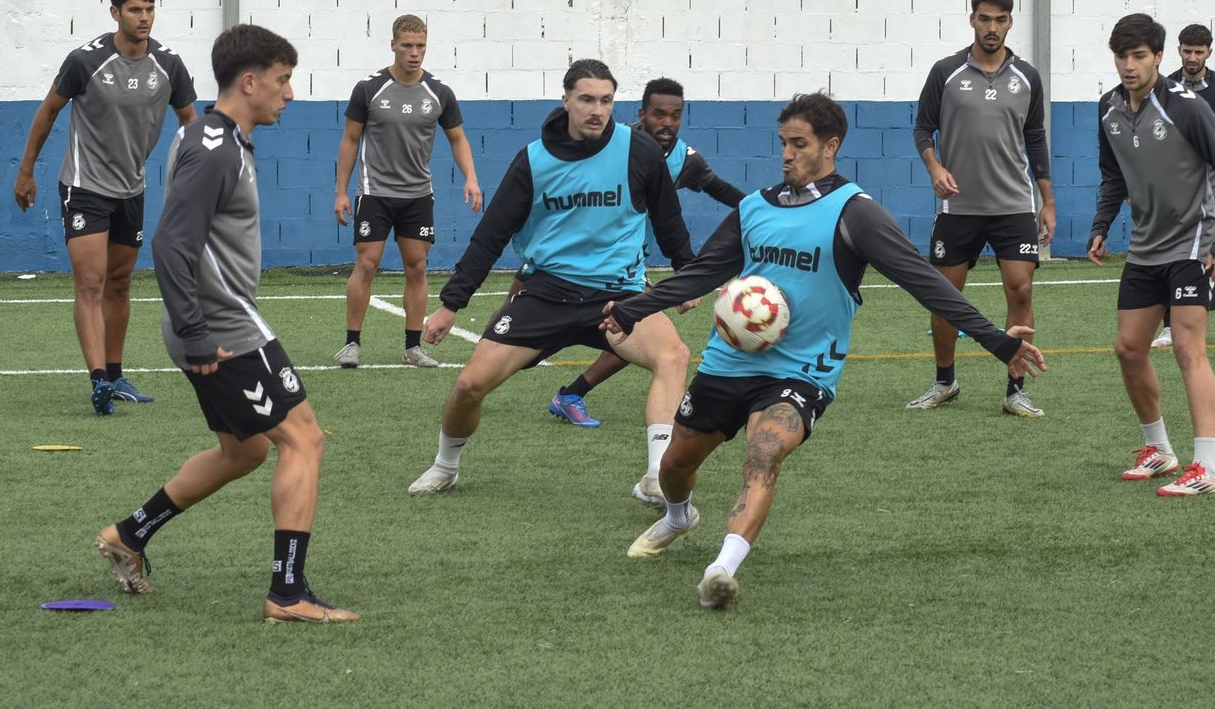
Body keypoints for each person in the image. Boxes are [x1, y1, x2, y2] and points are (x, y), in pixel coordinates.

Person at [603, 93, 1043, 609]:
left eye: (800, 144)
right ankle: (679, 516)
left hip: (803, 370)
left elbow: (924, 281)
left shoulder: (855, 213)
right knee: (676, 465)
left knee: (764, 450)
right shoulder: (754, 207)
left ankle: (722, 569)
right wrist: (634, 309)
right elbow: (704, 272)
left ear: (831, 146)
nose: (787, 154)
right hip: (730, 361)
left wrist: (996, 340)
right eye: (783, 143)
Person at [94, 25, 357, 624]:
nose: (289, 93)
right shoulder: (215, 148)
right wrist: (196, 331)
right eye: (283, 80)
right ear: (250, 81)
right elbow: (171, 242)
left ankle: (129, 535)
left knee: (244, 452)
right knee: (305, 440)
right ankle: (287, 594)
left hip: (208, 318)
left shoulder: (209, 135)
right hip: (221, 323)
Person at [407, 59, 697, 506]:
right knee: (468, 386)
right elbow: (491, 235)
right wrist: (451, 304)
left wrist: (686, 274)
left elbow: (668, 219)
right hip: (545, 293)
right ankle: (445, 467)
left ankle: (656, 477)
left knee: (673, 356)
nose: (597, 110)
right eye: (587, 100)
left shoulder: (639, 152)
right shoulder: (533, 160)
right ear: (566, 101)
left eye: (606, 100)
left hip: (617, 295)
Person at [13, 0, 197, 415]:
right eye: (135, 10)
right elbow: (48, 111)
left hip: (131, 188)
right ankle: (98, 380)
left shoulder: (169, 65)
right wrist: (26, 171)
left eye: (149, 9)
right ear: (115, 13)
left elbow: (191, 123)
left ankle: (115, 376)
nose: (144, 17)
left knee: (119, 282)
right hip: (84, 185)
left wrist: (199, 182)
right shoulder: (85, 61)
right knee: (91, 281)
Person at [1087, 14, 1215, 497]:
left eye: (1139, 56)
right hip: (1145, 245)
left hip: (1192, 242)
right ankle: (1159, 449)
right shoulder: (1108, 110)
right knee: (1129, 348)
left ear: (1158, 56)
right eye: (1121, 56)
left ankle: (1207, 467)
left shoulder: (1187, 107)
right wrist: (1101, 225)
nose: (1129, 66)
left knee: (1187, 348)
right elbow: (1113, 175)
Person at [546, 76, 745, 430]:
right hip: (575, 253)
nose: (667, 123)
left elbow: (720, 189)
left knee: (633, 327)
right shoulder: (615, 145)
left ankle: (571, 394)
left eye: (675, 116)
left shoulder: (685, 160)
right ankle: (493, 357)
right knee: (522, 305)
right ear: (642, 114)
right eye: (658, 114)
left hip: (626, 265)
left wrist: (764, 212)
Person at [907, 0, 1054, 417]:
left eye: (1000, 20)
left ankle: (1015, 390)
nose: (992, 27)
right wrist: (935, 168)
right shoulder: (946, 72)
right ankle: (944, 382)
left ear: (1010, 22)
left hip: (1014, 205)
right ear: (972, 19)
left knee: (1020, 290)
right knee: (945, 296)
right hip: (958, 207)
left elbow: (1036, 138)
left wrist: (1047, 201)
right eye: (985, 18)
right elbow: (922, 128)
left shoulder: (1028, 77)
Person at [332, 14, 482, 369]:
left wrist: (471, 178)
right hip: (375, 192)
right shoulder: (368, 89)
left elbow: (457, 138)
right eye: (407, 46)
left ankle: (413, 348)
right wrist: (341, 192)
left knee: (417, 268)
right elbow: (350, 140)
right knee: (367, 263)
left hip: (417, 195)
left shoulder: (439, 93)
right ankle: (352, 343)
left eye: (420, 46)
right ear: (393, 46)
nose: (414, 53)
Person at [1152, 23, 1215, 349]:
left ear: (1209, 52)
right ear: (1178, 50)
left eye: (1199, 52)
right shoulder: (1164, 87)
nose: (1192, 57)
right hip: (1175, 189)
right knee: (1171, 255)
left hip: (1214, 188)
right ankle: (1169, 328)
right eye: (1187, 51)